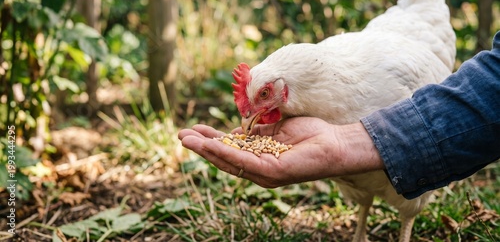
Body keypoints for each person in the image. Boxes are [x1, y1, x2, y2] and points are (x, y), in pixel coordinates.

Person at [178, 31, 500, 200]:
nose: (249, 121)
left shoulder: (389, 73)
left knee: (406, 208)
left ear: (283, 86)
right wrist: (346, 143)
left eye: (263, 96)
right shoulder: (312, 97)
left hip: (409, 50)